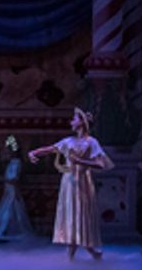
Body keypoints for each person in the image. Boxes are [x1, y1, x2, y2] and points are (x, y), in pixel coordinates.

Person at [28, 107, 114, 260]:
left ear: (81, 122)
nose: (71, 122)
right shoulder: (68, 141)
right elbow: (50, 149)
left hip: (83, 183)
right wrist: (33, 152)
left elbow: (101, 164)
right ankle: (76, 255)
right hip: (68, 182)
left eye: (74, 119)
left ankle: (90, 250)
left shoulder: (91, 142)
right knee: (70, 215)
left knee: (81, 214)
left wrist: (80, 161)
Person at [0, 135, 34, 241]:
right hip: (8, 190)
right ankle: (2, 231)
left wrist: (3, 180)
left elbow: (14, 179)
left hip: (12, 190)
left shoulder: (16, 163)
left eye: (8, 151)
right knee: (8, 210)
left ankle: (3, 231)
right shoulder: (10, 163)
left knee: (10, 210)